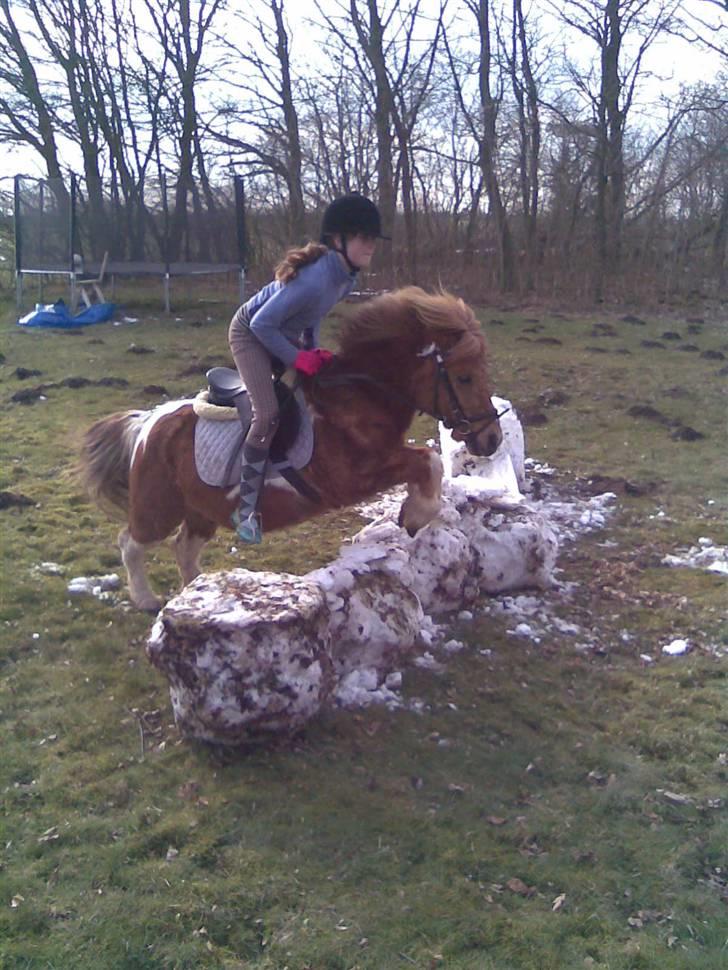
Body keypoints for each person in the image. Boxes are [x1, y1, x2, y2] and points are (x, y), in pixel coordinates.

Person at [228, 193, 387, 544]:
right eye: (364, 238)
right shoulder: (315, 278)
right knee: (268, 413)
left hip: (280, 332)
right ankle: (245, 509)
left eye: (373, 239)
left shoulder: (347, 277)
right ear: (338, 240)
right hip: (250, 333)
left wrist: (313, 351)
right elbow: (261, 325)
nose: (370, 246)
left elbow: (311, 317)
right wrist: (299, 358)